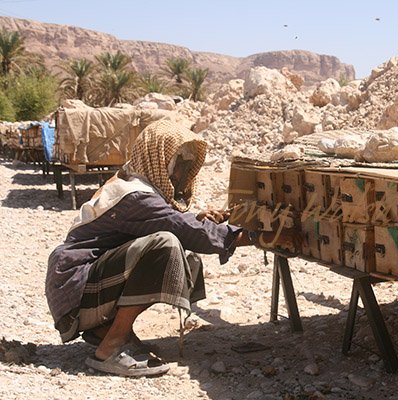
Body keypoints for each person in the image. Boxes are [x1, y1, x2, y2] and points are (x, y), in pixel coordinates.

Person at [45, 119, 260, 377]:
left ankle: (106, 330)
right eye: (176, 165)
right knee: (165, 246)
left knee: (181, 253)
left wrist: (199, 219)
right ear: (157, 159)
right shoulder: (136, 195)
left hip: (76, 286)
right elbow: (183, 229)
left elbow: (170, 220)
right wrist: (255, 236)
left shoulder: (133, 182)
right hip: (74, 291)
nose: (179, 174)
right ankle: (110, 347)